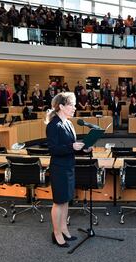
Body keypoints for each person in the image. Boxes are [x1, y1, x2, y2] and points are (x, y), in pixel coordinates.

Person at [46, 92, 86, 248]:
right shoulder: (53, 125)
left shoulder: (69, 123)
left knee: (66, 200)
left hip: (69, 166)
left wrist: (83, 149)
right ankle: (56, 233)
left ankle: (64, 229)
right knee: (58, 201)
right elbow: (54, 149)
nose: (75, 107)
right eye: (72, 104)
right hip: (59, 167)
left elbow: (72, 146)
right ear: (61, 106)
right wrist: (71, 147)